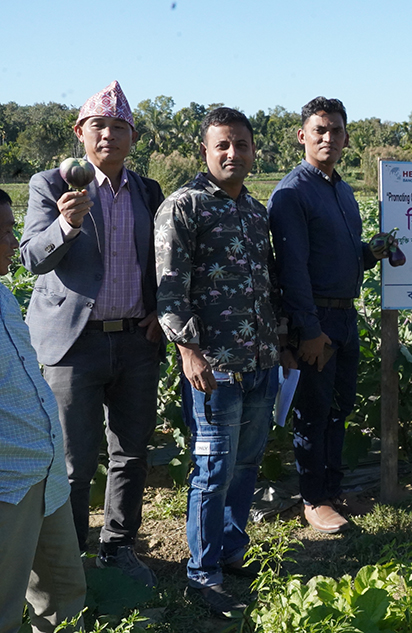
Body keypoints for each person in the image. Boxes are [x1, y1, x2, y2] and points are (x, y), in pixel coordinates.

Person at [20, 81, 164, 586]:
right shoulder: (50, 184)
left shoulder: (148, 191)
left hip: (135, 340)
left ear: (132, 137)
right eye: (99, 126)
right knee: (74, 460)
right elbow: (31, 258)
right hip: (73, 344)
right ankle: (70, 558)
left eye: (119, 127)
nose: (109, 135)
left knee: (131, 451)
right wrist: (66, 226)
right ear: (81, 133)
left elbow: (164, 263)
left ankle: (118, 548)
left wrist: (159, 311)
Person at [155, 107, 293, 616]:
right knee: (212, 469)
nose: (233, 154)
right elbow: (170, 289)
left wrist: (279, 345)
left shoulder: (255, 213)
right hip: (213, 370)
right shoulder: (184, 207)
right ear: (206, 152)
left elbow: (269, 286)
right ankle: (203, 571)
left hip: (258, 364)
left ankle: (233, 550)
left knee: (247, 463)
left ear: (254, 150)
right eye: (223, 146)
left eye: (242, 145)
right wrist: (188, 350)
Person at [269, 97, 391, 534]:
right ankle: (314, 498)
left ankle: (332, 489)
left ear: (345, 138)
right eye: (319, 130)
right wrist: (308, 329)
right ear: (302, 136)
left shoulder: (341, 190)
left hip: (345, 315)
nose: (328, 137)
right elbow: (292, 269)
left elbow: (339, 257)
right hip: (316, 318)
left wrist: (368, 253)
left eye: (335, 130)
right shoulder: (292, 192)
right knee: (313, 411)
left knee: (340, 406)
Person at [1, 188, 87, 633]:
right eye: (1, 233)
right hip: (6, 484)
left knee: (63, 595)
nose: (13, 243)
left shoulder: (3, 296)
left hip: (45, 472)